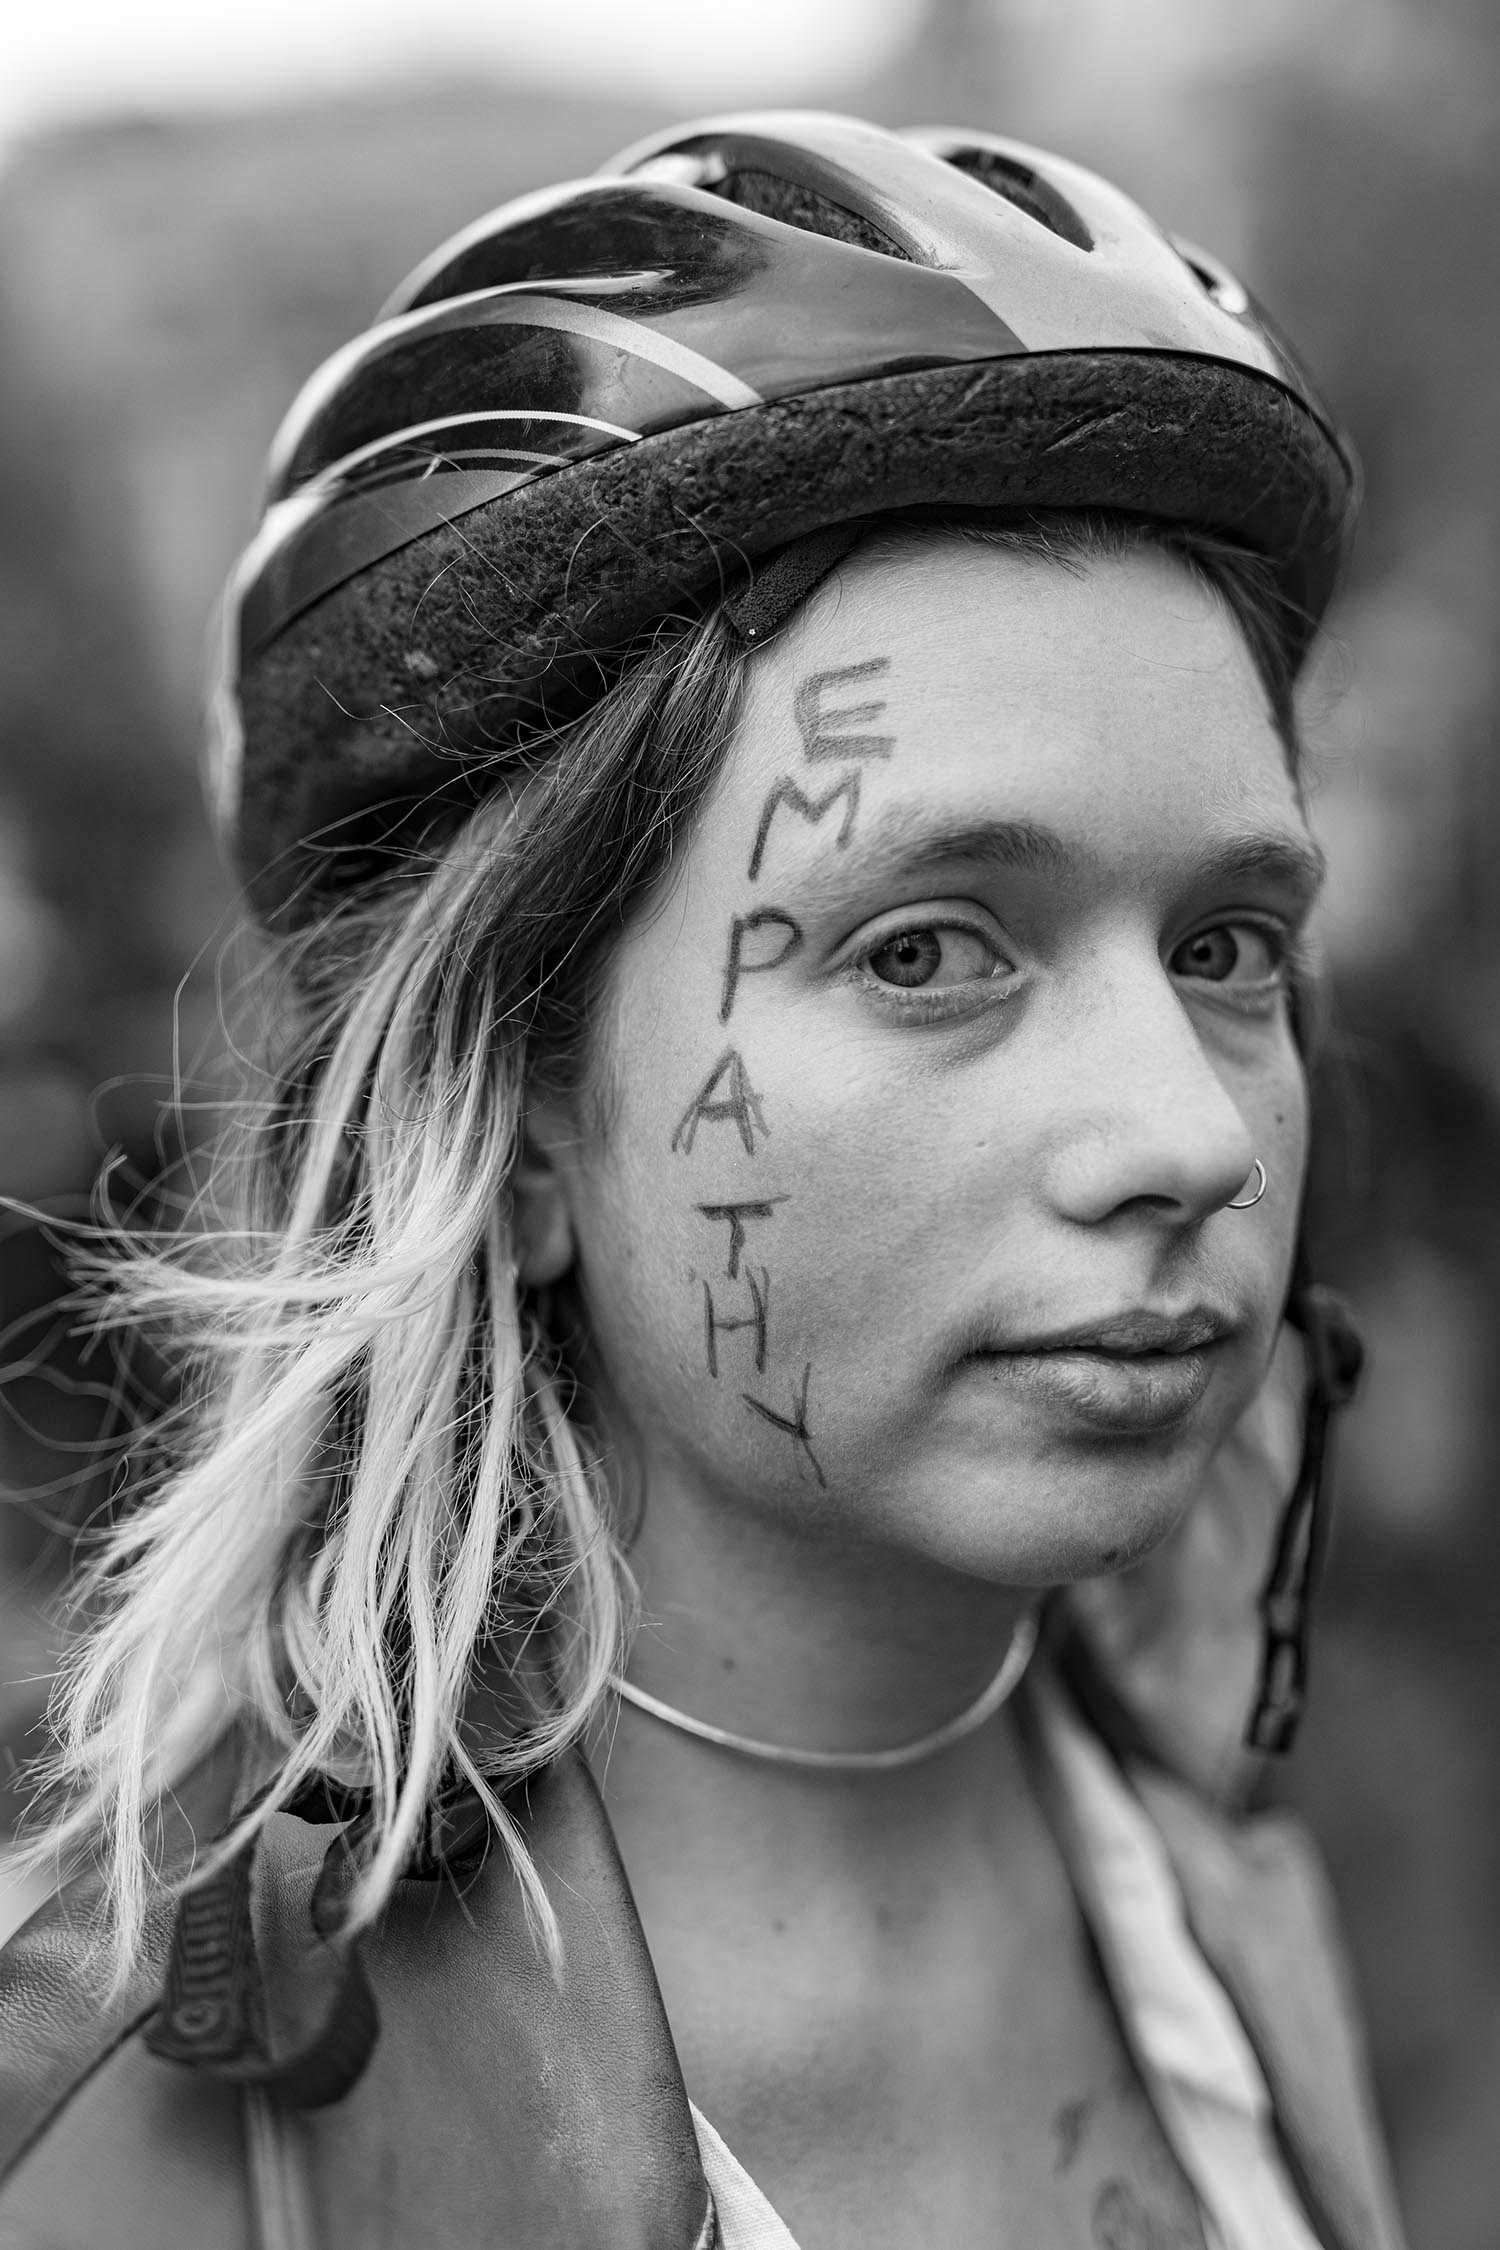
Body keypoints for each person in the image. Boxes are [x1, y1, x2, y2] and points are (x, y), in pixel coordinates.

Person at [0, 113, 1404, 2250]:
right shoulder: (132, 2133)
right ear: (522, 1112)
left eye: (1227, 947)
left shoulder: (1270, 1898)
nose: (1194, 1133)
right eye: (928, 948)